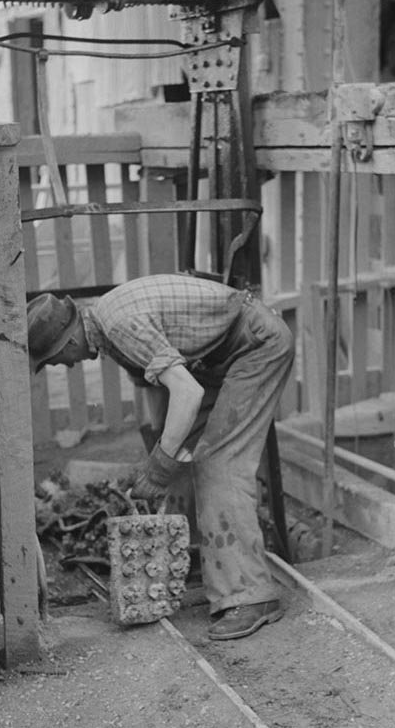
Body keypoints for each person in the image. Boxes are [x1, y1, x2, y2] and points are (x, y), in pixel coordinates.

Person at [27, 273, 295, 640]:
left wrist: (158, 467)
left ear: (68, 339)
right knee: (185, 452)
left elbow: (186, 393)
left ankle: (251, 595)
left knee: (219, 462)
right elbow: (161, 397)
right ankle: (201, 566)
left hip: (255, 346)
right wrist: (164, 452)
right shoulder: (108, 329)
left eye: (56, 359)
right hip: (219, 357)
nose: (64, 366)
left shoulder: (120, 324)